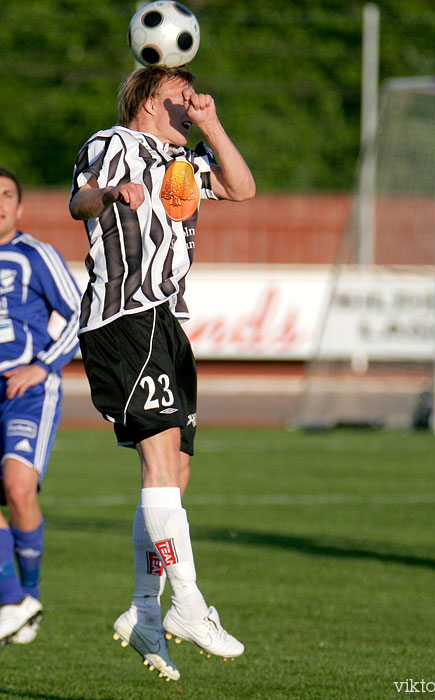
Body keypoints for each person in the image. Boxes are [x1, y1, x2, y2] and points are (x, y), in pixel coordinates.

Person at [69, 65, 255, 682]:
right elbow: (79, 199)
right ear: (149, 101)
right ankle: (190, 605)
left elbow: (244, 187)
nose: (189, 106)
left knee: (174, 474)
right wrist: (112, 195)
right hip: (125, 314)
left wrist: (210, 121)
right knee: (158, 465)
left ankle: (147, 610)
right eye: (179, 98)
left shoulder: (187, 161)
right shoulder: (113, 143)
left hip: (168, 322)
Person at [0, 168, 81, 645]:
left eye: (7, 195)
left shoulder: (36, 256)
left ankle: (27, 597)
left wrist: (43, 365)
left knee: (17, 486)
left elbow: (79, 313)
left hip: (27, 389)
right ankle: (13, 603)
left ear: (20, 208)